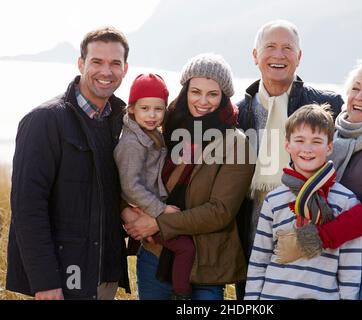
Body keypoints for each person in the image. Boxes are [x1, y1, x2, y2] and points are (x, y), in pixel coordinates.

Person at [234, 19, 362, 299]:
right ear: (255, 55)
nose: (279, 55)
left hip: (339, 255)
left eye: (287, 48)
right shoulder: (238, 114)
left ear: (299, 57)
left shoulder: (325, 107)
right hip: (260, 238)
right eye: (270, 46)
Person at [275, 56, 362, 300]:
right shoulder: (330, 141)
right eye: (355, 88)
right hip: (327, 261)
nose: (359, 97)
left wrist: (318, 239)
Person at [6, 26, 130, 300]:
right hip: (62, 279)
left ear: (125, 68)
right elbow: (28, 207)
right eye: (97, 62)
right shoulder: (44, 121)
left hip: (104, 275)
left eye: (115, 63)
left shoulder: (122, 121)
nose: (106, 72)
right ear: (81, 63)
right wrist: (45, 282)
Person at [123, 53, 255, 300]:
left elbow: (220, 211)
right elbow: (129, 174)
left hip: (205, 267)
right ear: (186, 91)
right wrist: (128, 211)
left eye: (213, 94)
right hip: (155, 256)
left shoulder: (237, 144)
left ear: (224, 96)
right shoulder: (168, 126)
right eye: (196, 91)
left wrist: (159, 222)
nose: (203, 101)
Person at [245, 104, 362, 300]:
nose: (307, 148)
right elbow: (259, 260)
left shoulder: (346, 201)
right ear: (287, 145)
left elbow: (350, 266)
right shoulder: (274, 200)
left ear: (329, 147)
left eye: (317, 141)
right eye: (299, 140)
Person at [114, 73, 195, 300]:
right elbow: (129, 186)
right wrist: (160, 210)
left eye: (158, 109)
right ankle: (182, 296)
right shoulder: (132, 143)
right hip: (147, 209)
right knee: (185, 248)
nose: (152, 115)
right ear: (131, 109)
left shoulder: (152, 135)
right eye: (145, 108)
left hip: (150, 207)